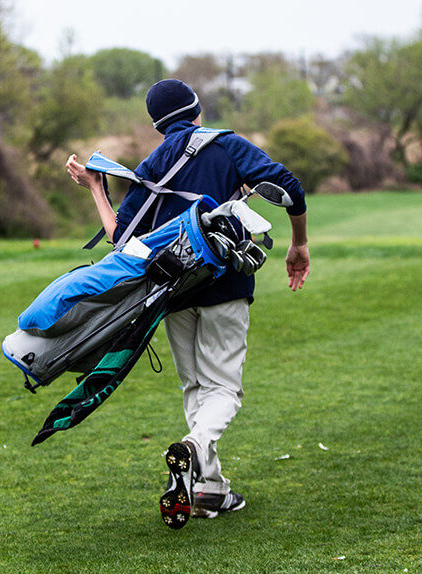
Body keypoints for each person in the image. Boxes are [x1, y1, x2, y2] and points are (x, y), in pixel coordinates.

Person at [65, 79, 310, 529]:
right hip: (224, 288)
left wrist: (97, 189)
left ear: (158, 125)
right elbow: (289, 186)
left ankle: (209, 491)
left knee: (196, 388)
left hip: (173, 293)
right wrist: (299, 244)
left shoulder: (151, 164)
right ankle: (193, 449)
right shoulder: (226, 144)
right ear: (197, 110)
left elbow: (122, 240)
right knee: (224, 391)